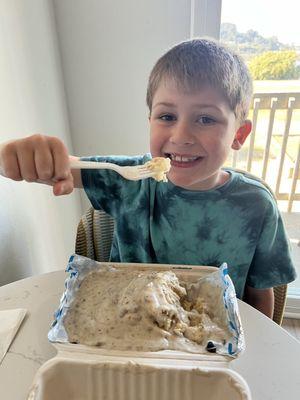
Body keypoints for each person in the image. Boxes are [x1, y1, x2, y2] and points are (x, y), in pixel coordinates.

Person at [0, 38, 296, 318]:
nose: (181, 137)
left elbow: (260, 296)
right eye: (167, 116)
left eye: (205, 119)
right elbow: (65, 168)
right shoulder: (129, 180)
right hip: (126, 331)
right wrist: (19, 157)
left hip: (210, 349)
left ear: (239, 134)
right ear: (150, 119)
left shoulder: (256, 206)